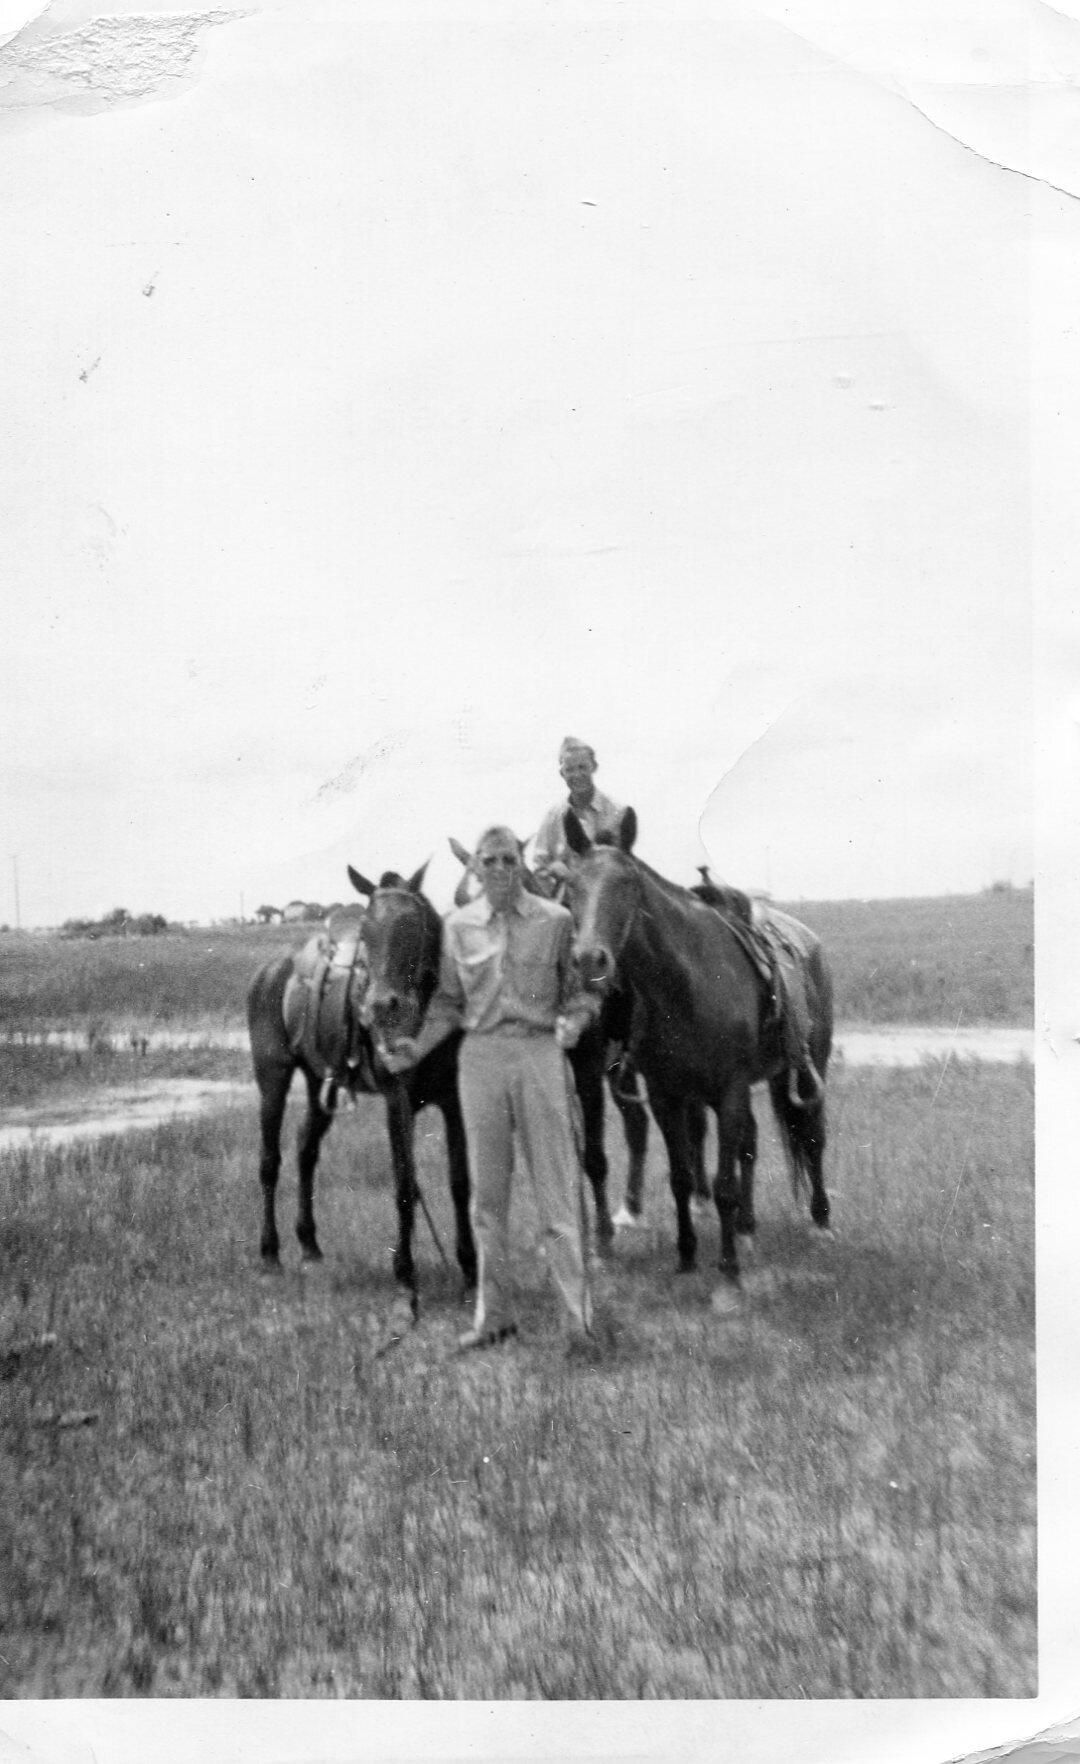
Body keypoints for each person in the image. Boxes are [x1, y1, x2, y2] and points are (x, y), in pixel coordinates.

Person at [380, 825, 601, 1356]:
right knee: (486, 1199)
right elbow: (448, 1004)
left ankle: (578, 1321)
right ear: (476, 867)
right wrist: (415, 1050)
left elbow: (583, 994)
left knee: (557, 1195)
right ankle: (493, 1317)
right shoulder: (459, 927)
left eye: (508, 859)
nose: (499, 868)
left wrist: (576, 1020)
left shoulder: (556, 920)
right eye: (490, 860)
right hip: (479, 1059)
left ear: (520, 864)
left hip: (538, 1055)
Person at [532, 737, 626, 895]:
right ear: (562, 773)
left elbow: (626, 866)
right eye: (570, 769)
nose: (577, 774)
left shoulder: (616, 812)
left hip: (607, 900)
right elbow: (539, 867)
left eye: (582, 767)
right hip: (565, 902)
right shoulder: (553, 816)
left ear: (594, 767)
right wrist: (552, 868)